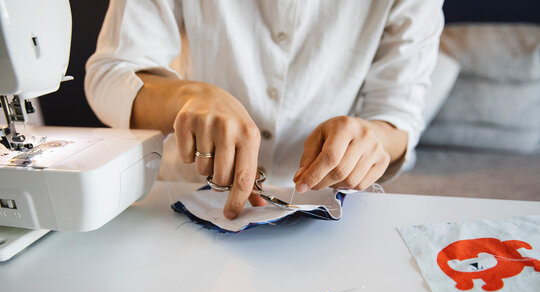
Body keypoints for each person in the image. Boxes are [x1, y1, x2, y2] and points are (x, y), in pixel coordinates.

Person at [85, 0, 444, 220]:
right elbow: (110, 75)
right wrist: (187, 96)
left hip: (317, 213)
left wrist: (372, 137)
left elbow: (399, 117)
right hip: (179, 201)